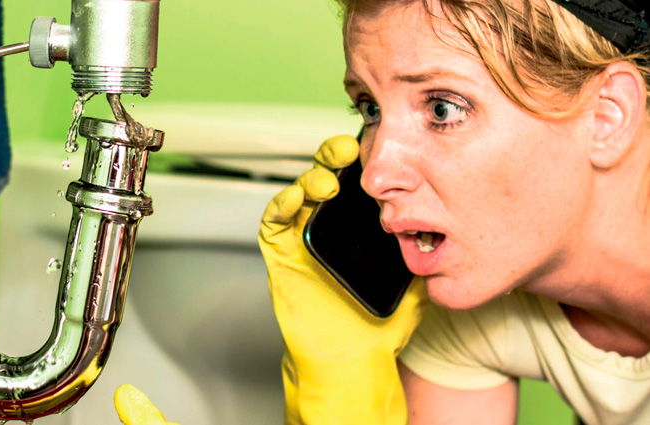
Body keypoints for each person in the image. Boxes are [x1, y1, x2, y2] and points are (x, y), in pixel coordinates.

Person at [116, 0, 650, 423]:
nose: (373, 176)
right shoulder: (470, 307)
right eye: (369, 108)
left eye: (443, 108)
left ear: (607, 116)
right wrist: (343, 387)